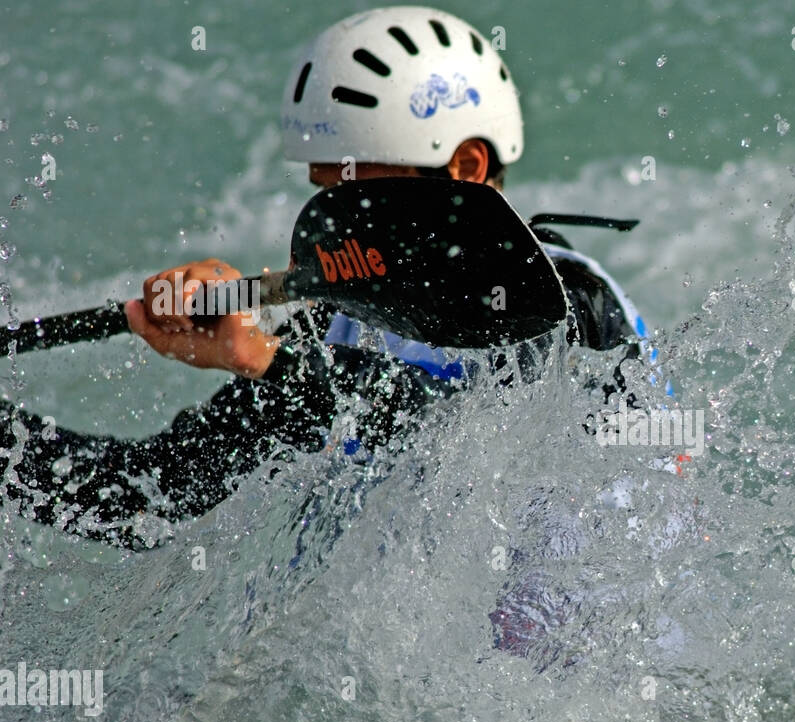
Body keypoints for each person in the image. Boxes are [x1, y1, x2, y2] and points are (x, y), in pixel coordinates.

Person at [1, 7, 651, 554]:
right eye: (324, 197)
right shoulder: (330, 323)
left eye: (353, 195)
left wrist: (264, 360)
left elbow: (461, 445)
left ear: (465, 167)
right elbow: (147, 494)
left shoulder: (567, 301)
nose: (337, 226)